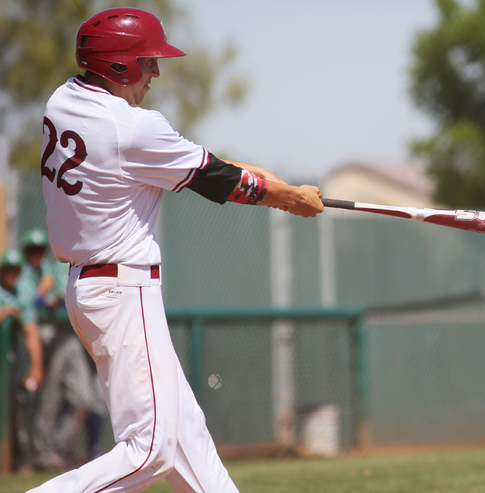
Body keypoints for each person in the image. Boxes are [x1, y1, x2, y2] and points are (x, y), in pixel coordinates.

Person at [30, 7, 323, 493]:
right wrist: (290, 198)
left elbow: (213, 166)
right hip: (121, 289)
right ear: (118, 66)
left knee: (187, 438)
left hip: (94, 288)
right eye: (147, 61)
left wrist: (285, 187)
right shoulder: (131, 128)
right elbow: (221, 180)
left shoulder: (62, 100)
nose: (155, 73)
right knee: (150, 450)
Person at [17, 229, 103, 470]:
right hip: (40, 338)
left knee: (83, 398)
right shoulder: (24, 275)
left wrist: (52, 294)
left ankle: (59, 449)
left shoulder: (56, 266)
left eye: (40, 250)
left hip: (68, 336)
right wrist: (43, 293)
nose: (37, 255)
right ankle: (41, 455)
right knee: (46, 400)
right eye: (32, 251)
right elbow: (30, 304)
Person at [0, 249, 44, 472]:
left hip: (9, 364)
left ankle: (14, 461)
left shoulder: (23, 291)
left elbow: (30, 330)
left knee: (15, 409)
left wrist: (37, 367)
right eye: (7, 270)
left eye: (15, 270)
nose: (11, 275)